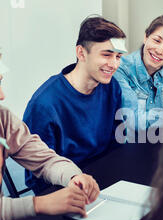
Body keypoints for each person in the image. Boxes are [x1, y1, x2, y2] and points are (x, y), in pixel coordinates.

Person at [0, 33, 99, 220]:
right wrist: (37, 204)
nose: (1, 95)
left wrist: (74, 177)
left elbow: (44, 159)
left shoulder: (0, 116)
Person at [23, 16, 125, 194]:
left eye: (118, 56)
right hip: (65, 188)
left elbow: (116, 143)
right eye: (107, 55)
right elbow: (38, 177)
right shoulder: (44, 104)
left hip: (103, 176)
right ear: (81, 53)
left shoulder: (112, 87)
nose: (114, 64)